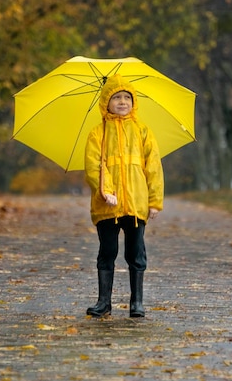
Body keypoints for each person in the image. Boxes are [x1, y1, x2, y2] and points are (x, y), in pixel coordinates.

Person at [84, 74, 164, 318]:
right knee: (107, 252)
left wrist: (154, 201)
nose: (121, 102)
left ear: (133, 102)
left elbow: (154, 168)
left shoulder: (142, 132)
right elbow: (93, 165)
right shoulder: (98, 133)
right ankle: (103, 302)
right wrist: (106, 191)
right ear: (105, 102)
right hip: (107, 204)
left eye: (126, 97)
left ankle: (136, 302)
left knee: (135, 253)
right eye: (116, 97)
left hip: (136, 204)